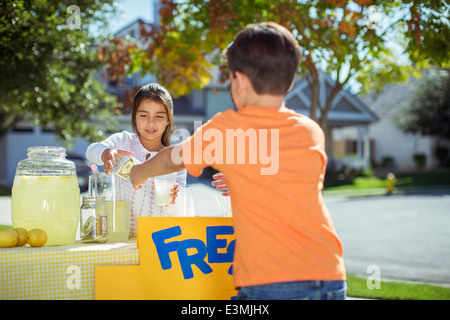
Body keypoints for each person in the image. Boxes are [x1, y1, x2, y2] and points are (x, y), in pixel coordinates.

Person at [130, 22, 346, 300]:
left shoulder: (227, 128)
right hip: (328, 272)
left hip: (271, 279)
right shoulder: (310, 130)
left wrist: (140, 173)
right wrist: (243, 182)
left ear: (240, 81)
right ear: (290, 83)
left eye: (231, 79)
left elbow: (172, 159)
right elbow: (286, 184)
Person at [86, 83, 186, 237]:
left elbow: (179, 210)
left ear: (168, 119)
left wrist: (173, 201)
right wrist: (106, 153)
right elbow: (91, 151)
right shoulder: (122, 141)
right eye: (143, 115)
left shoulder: (174, 158)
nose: (151, 122)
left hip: (156, 242)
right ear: (134, 116)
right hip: (119, 236)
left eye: (159, 116)